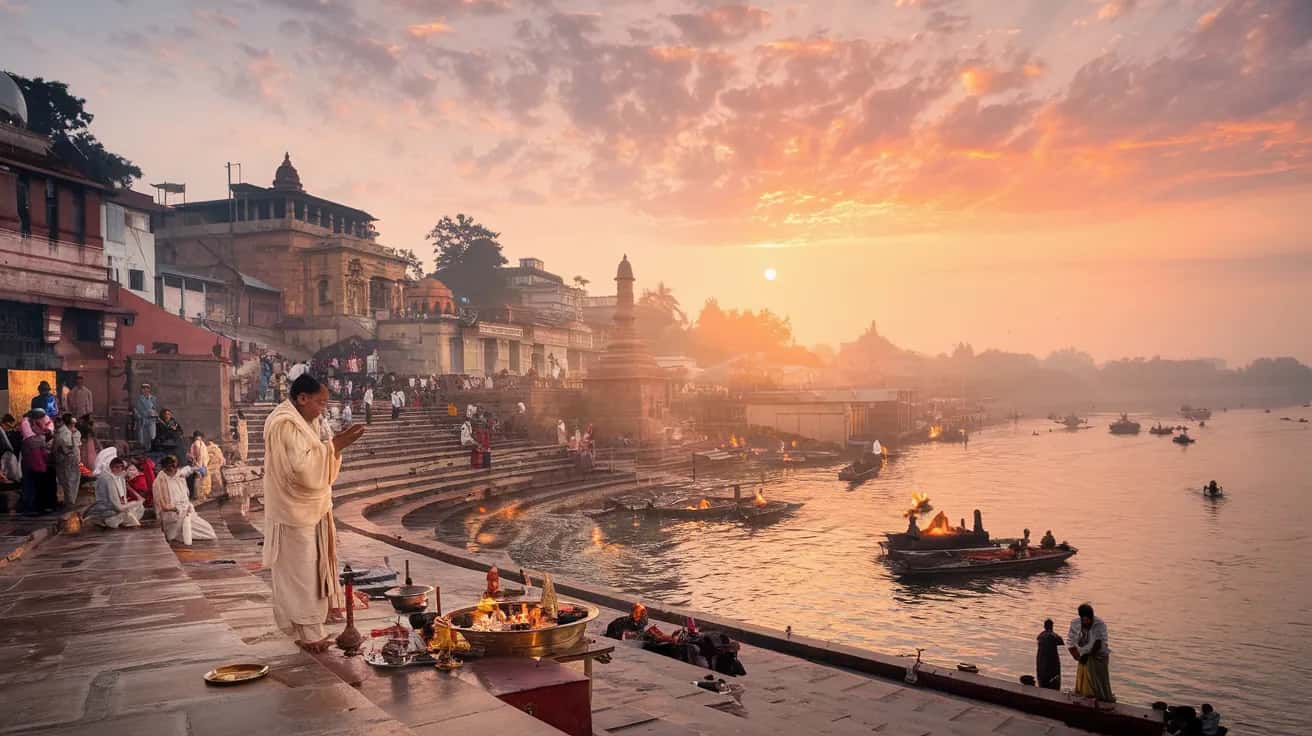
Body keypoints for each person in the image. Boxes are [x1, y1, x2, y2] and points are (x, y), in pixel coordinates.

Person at [263, 374, 366, 652]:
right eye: (319, 403)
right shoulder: (285, 424)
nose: (323, 409)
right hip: (294, 512)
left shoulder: (305, 421)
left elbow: (316, 457)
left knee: (312, 567)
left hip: (310, 508)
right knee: (301, 572)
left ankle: (313, 627)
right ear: (302, 398)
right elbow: (302, 469)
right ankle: (310, 635)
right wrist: (336, 445)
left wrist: (333, 447)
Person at [153, 455, 216, 545]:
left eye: (176, 466)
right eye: (173, 467)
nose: (176, 469)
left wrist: (187, 507)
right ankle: (176, 533)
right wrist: (177, 509)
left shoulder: (178, 474)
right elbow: (164, 507)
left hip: (185, 511)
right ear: (168, 467)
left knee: (208, 531)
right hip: (173, 516)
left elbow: (188, 471)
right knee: (200, 532)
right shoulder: (161, 480)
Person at [1068, 603, 1115, 705]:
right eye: (1084, 620)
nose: (1087, 622)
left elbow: (1098, 643)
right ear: (1081, 618)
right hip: (1083, 656)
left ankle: (1101, 701)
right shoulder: (1075, 624)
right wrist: (1077, 657)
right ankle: (1085, 699)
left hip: (1099, 656)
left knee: (1098, 683)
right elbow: (1070, 643)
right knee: (1083, 684)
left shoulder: (1099, 624)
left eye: (1089, 619)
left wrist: (1087, 656)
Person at [87, 457, 144, 529]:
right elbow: (117, 506)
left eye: (121, 467)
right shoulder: (107, 478)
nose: (119, 469)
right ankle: (108, 521)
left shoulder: (121, 477)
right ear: (111, 467)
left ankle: (122, 520)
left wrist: (131, 504)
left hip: (120, 507)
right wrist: (133, 503)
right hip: (109, 509)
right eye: (117, 467)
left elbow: (124, 498)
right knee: (119, 515)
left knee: (140, 507)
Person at [19, 411, 54, 514]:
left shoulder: (44, 418)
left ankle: (39, 507)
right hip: (30, 460)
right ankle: (30, 508)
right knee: (30, 485)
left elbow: (49, 427)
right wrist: (43, 437)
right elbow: (31, 440)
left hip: (40, 462)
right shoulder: (26, 422)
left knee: (39, 484)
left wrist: (46, 433)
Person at [52, 413, 82, 508]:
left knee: (68, 480)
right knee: (69, 480)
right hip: (68, 459)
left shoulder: (70, 432)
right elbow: (66, 447)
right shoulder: (66, 432)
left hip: (68, 459)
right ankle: (70, 501)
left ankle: (69, 500)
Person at [1036, 619, 1064, 690]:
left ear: (1044, 626)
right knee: (1053, 681)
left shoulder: (1040, 636)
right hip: (1052, 663)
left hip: (1042, 661)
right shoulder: (1055, 636)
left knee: (1042, 680)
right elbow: (1061, 643)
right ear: (1052, 626)